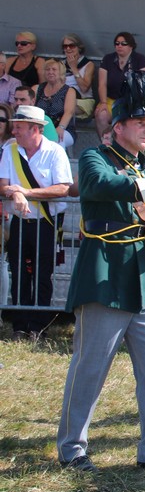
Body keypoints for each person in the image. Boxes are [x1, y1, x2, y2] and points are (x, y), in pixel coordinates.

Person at [56, 72, 145, 476]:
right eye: (140, 122)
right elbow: (101, 185)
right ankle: (71, 448)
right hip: (105, 274)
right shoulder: (96, 157)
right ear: (118, 127)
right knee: (90, 367)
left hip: (144, 279)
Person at [0, 105, 73, 339]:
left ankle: (38, 326)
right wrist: (15, 193)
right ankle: (20, 325)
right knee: (19, 272)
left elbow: (63, 188)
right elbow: (3, 184)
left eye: (19, 127)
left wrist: (26, 193)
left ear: (35, 129)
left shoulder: (55, 152)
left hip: (47, 222)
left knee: (43, 274)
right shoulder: (9, 150)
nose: (14, 131)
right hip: (20, 221)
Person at [95, 32, 145, 136]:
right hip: (111, 99)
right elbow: (102, 84)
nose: (119, 46)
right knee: (101, 115)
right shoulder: (108, 59)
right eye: (117, 43)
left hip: (131, 101)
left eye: (123, 43)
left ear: (131, 46)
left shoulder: (139, 59)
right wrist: (103, 102)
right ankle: (106, 142)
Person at [34, 59, 77, 150]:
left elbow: (69, 112)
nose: (50, 72)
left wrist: (60, 127)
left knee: (57, 141)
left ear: (61, 72)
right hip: (40, 128)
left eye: (54, 69)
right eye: (48, 69)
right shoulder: (37, 89)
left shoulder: (69, 91)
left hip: (63, 128)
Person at [61, 33, 96, 119]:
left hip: (82, 101)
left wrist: (74, 68)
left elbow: (84, 88)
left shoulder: (88, 64)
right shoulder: (60, 64)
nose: (68, 48)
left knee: (62, 107)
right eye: (65, 46)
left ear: (79, 47)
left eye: (71, 46)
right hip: (63, 99)